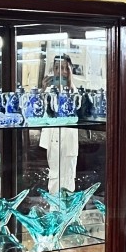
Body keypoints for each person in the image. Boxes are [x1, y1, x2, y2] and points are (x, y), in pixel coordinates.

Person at [40, 55, 80, 192]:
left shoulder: (74, 92)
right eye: (57, 68)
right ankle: (53, 204)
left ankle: (67, 204)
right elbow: (40, 112)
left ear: (69, 71)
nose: (60, 72)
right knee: (54, 176)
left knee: (68, 177)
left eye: (64, 68)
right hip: (53, 140)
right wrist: (42, 90)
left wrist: (69, 83)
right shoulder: (48, 91)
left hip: (67, 141)